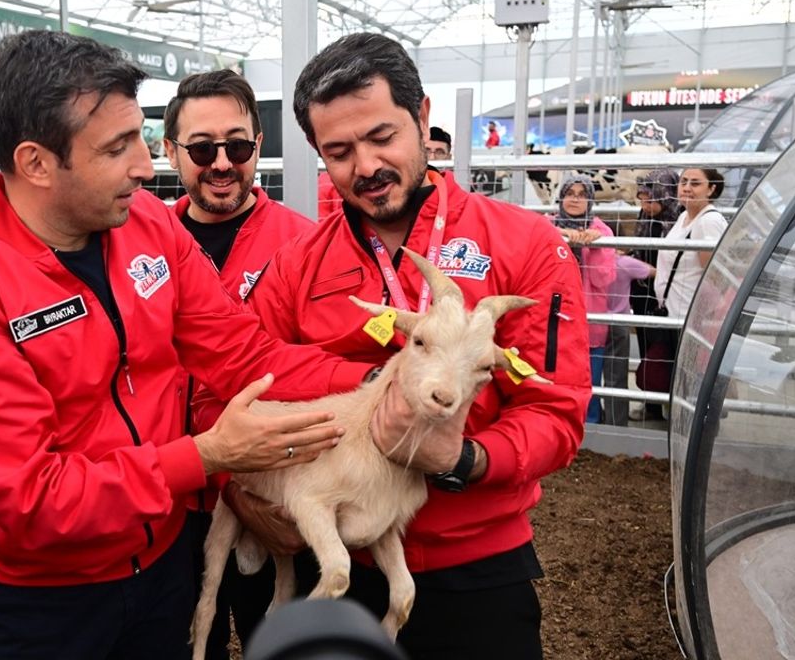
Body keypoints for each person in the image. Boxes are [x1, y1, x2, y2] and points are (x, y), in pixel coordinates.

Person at [0, 29, 378, 660]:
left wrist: (375, 384)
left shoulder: (146, 225)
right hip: (39, 602)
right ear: (36, 162)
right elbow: (28, 498)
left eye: (142, 140)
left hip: (161, 569)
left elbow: (241, 355)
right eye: (118, 147)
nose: (146, 166)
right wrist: (201, 457)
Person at [229, 33, 588, 660]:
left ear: (422, 118)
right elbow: (239, 380)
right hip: (339, 561)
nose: (365, 166)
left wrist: (466, 459)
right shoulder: (297, 267)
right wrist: (245, 494)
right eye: (338, 151)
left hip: (476, 567)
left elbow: (556, 414)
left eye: (381, 137)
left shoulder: (526, 245)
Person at [163, 69, 315, 658]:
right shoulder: (136, 246)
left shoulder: (302, 246)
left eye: (238, 145)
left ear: (258, 146)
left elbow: (313, 377)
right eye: (202, 148)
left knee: (274, 645)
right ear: (171, 152)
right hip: (167, 501)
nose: (221, 162)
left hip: (266, 500)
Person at [651, 167, 728, 397]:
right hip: (675, 312)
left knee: (690, 379)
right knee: (678, 377)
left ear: (712, 189)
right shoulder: (685, 216)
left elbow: (714, 275)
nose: (686, 188)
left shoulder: (708, 221)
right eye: (684, 182)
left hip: (691, 317)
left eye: (695, 183)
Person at [550, 174, 615, 425]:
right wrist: (562, 235)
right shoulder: (548, 225)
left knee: (588, 384)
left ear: (590, 200)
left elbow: (604, 280)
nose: (575, 199)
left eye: (582, 194)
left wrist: (595, 246)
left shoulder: (601, 231)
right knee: (554, 380)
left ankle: (589, 434)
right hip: (554, 319)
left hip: (590, 324)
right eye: (569, 193)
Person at [629, 170, 680, 423]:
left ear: (666, 195)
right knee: (648, 350)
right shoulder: (645, 218)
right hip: (643, 296)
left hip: (670, 299)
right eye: (642, 199)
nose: (645, 206)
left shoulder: (679, 222)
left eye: (651, 200)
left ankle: (672, 405)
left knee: (670, 349)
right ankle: (651, 402)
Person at [602, 251, 654, 426]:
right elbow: (654, 272)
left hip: (594, 322)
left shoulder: (591, 260)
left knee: (591, 375)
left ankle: (591, 418)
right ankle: (616, 423)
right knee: (616, 377)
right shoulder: (624, 263)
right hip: (619, 324)